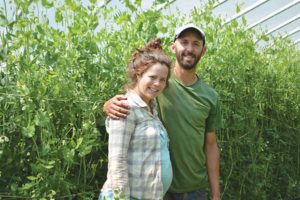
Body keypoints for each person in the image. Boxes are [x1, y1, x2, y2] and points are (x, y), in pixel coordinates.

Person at [104, 24, 223, 200]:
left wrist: (216, 194)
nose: (189, 49)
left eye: (196, 44)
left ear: (203, 50)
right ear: (173, 47)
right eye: (184, 42)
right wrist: (107, 105)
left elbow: (211, 145)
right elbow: (133, 99)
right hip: (154, 190)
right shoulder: (157, 80)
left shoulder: (210, 96)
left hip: (194, 189)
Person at [99, 39, 173, 200]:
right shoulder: (125, 107)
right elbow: (117, 162)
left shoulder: (151, 109)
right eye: (152, 77)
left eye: (162, 79)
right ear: (139, 74)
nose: (157, 83)